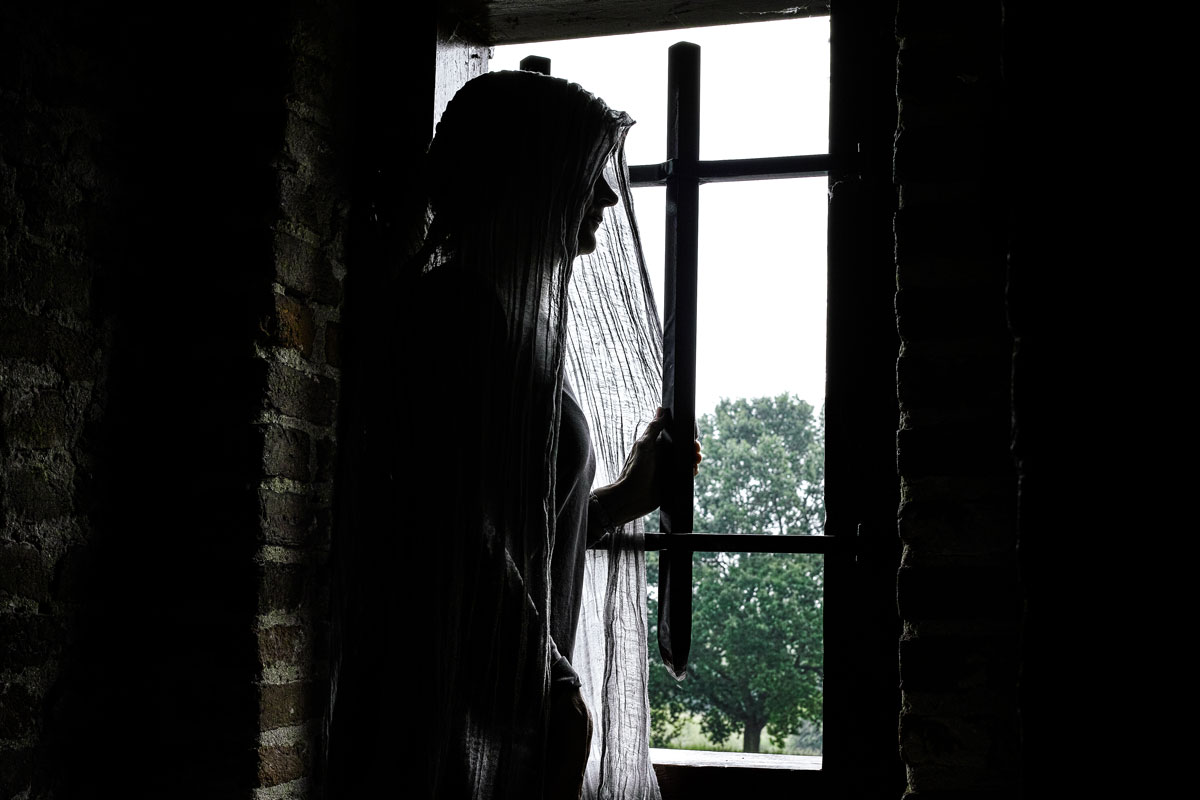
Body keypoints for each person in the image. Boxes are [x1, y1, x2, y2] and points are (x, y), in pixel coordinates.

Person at [325, 70, 697, 800]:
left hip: (483, 717)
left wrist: (618, 500)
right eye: (589, 174)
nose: (607, 197)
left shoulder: (502, 320)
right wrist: (551, 689)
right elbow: (445, 527)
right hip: (443, 718)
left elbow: (507, 523)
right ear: (532, 175)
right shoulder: (456, 314)